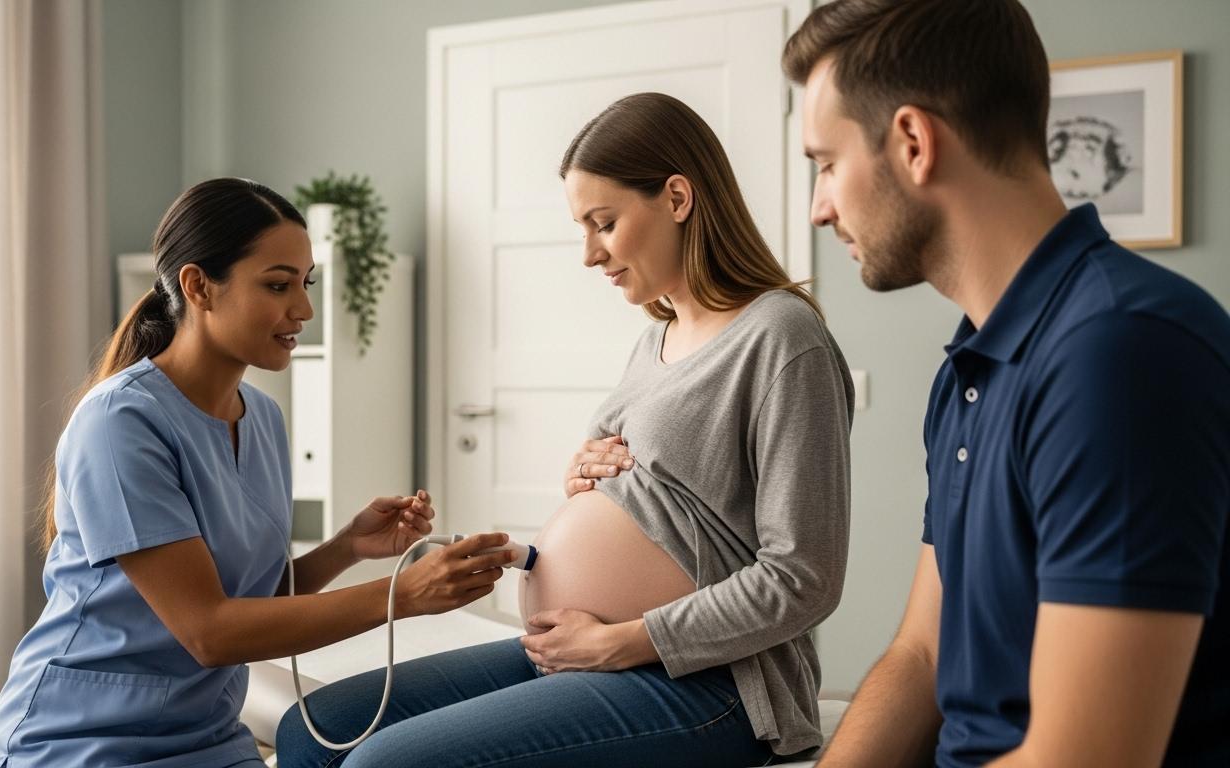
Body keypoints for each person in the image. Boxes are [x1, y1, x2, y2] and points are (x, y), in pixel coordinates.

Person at [277, 93, 854, 767]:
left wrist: (625, 640)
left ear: (676, 197)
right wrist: (583, 482)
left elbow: (804, 576)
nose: (588, 254)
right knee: (310, 728)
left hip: (712, 680)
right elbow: (665, 498)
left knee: (386, 764)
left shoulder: (782, 337)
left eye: (602, 223)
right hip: (588, 649)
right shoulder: (656, 341)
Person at [781, 1, 1230, 766]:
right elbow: (923, 655)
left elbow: (1088, 758)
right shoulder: (972, 363)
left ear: (915, 143)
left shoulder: (1119, 353)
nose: (820, 208)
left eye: (826, 163)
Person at [0, 178, 516, 767]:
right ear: (199, 285)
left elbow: (249, 599)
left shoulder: (261, 416)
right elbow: (210, 632)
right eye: (278, 285)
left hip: (208, 736)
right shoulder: (119, 423)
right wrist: (402, 596)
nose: (304, 309)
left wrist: (347, 548)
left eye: (305, 284)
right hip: (84, 741)